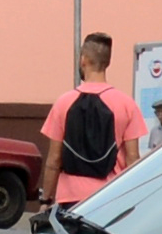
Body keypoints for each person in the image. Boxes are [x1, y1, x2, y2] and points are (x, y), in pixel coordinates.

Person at [37, 31, 146, 222]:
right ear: (107, 62)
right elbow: (132, 158)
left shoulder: (63, 103)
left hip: (71, 200)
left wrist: (46, 200)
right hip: (111, 196)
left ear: (83, 60)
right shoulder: (126, 104)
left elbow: (54, 159)